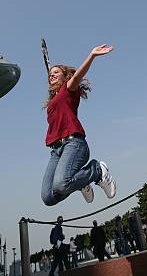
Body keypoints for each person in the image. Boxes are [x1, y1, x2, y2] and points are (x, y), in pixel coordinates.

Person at [41, 45, 117, 206]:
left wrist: (92, 55)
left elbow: (77, 77)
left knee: (61, 184)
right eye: (50, 74)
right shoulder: (52, 101)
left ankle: (97, 171)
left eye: (56, 72)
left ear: (64, 76)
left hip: (73, 144)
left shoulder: (69, 89)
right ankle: (81, 181)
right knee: (48, 197)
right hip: (56, 151)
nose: (52, 75)